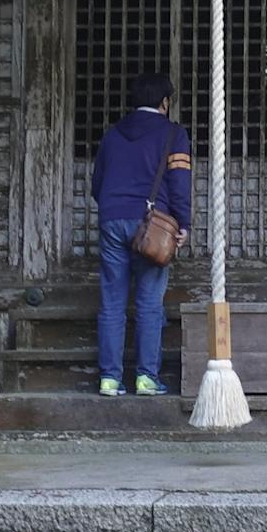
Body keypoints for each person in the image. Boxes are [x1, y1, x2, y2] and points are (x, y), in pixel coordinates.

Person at [90, 71, 194, 395]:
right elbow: (179, 184)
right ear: (165, 102)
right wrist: (184, 223)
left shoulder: (112, 135)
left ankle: (109, 378)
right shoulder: (173, 134)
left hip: (111, 219)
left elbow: (97, 184)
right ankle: (146, 377)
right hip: (151, 225)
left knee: (112, 302)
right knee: (149, 302)